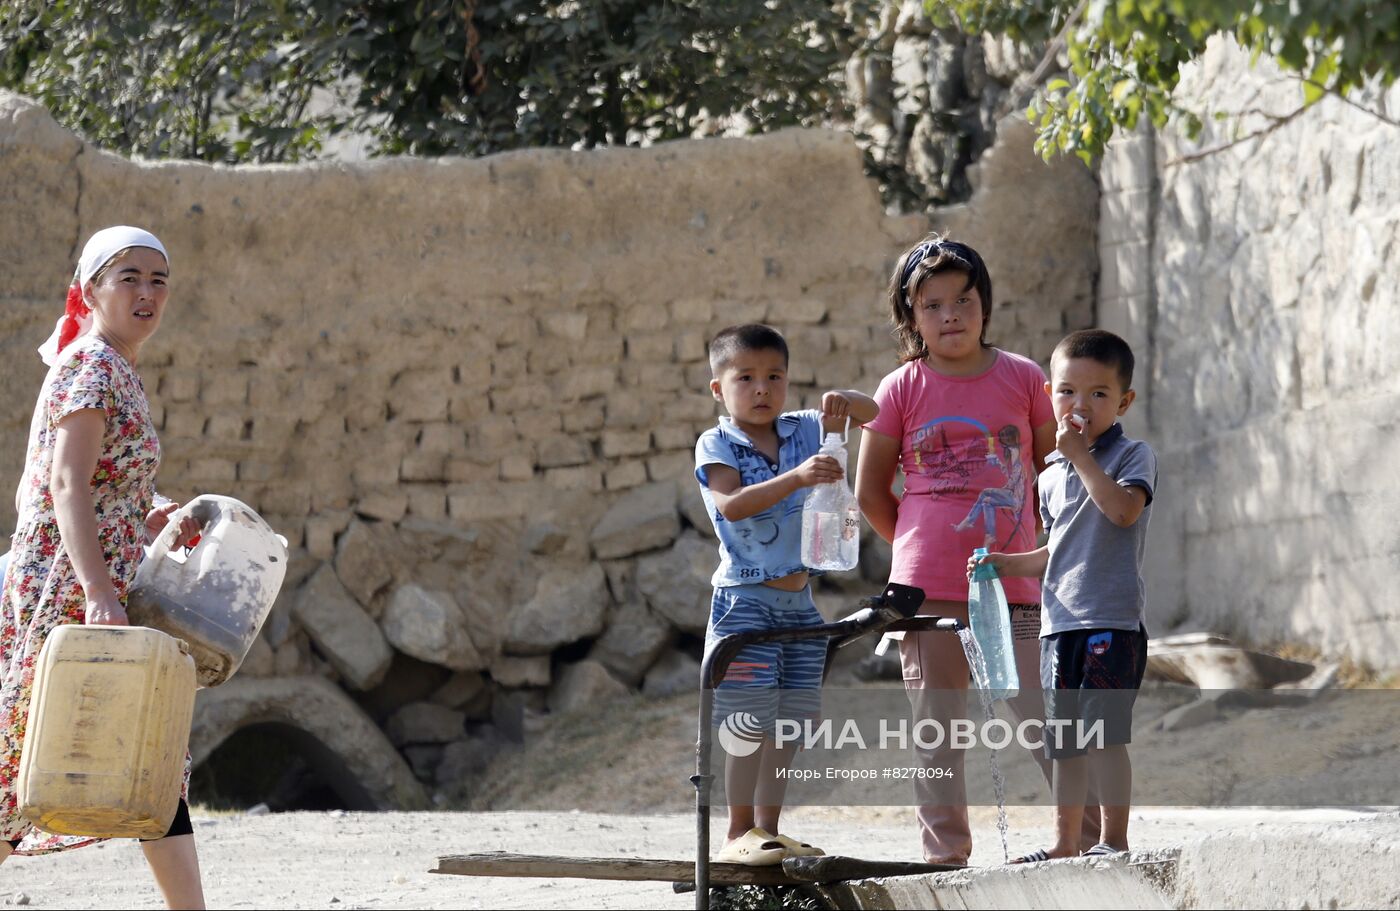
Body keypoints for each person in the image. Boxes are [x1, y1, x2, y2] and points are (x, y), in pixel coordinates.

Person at [854, 234, 1098, 865]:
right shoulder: (900, 388)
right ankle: (946, 857)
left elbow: (1053, 472)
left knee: (1039, 715)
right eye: (932, 305)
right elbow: (871, 490)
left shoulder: (1023, 377)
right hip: (925, 587)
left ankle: (1088, 841)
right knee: (937, 728)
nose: (951, 315)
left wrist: (1038, 552)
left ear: (985, 304)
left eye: (963, 299)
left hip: (1010, 582)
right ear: (911, 317)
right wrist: (918, 549)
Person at [0, 226, 206, 908]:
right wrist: (96, 594)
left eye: (158, 279)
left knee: (150, 748)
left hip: (99, 577)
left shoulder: (115, 368)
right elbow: (67, 484)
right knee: (29, 752)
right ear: (90, 291)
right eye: (130, 278)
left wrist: (157, 516)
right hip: (66, 583)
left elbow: (110, 484)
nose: (147, 293)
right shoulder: (91, 366)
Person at [970, 328, 1156, 862]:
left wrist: (1080, 459)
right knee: (1064, 742)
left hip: (1111, 623)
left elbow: (1122, 512)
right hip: (1060, 626)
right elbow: (1057, 550)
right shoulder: (1051, 475)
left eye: (1098, 394)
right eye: (1067, 392)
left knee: (1103, 735)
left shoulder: (1131, 456)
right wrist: (1006, 564)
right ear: (1050, 396)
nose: (1080, 405)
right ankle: (1064, 843)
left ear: (1123, 402)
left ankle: (1113, 840)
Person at [695, 324, 878, 865]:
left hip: (800, 605)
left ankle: (769, 832)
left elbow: (871, 415)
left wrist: (849, 402)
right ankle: (737, 833)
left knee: (791, 723)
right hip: (746, 603)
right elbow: (732, 505)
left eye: (774, 376)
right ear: (718, 389)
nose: (762, 389)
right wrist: (798, 478)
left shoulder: (804, 427)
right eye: (745, 377)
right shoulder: (718, 443)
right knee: (748, 723)